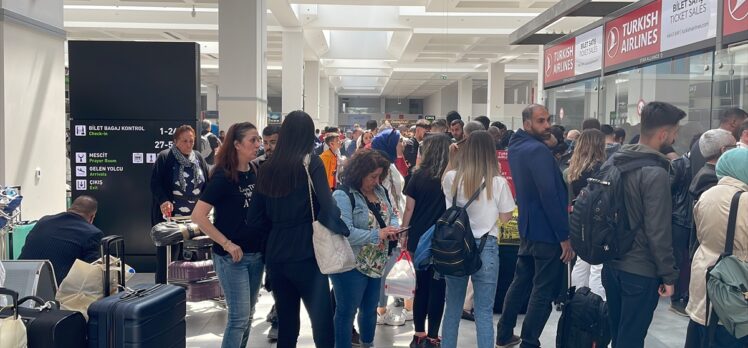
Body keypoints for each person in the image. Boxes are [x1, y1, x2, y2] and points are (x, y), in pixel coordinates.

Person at [246, 111, 349, 348]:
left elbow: (254, 219)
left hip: (276, 256)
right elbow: (328, 205)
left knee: (287, 326)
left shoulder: (266, 167)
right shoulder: (311, 162)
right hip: (307, 254)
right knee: (322, 324)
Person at [603, 101, 683, 348]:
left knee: (619, 334)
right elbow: (658, 231)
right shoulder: (655, 172)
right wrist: (669, 276)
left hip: (611, 264)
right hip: (640, 270)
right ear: (664, 134)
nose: (675, 136)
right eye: (675, 132)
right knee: (632, 339)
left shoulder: (614, 161)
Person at [496, 105, 572, 348]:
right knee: (543, 290)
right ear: (527, 124)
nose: (547, 125)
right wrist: (563, 236)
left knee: (521, 282)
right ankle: (529, 340)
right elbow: (549, 195)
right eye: (541, 121)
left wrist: (546, 143)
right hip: (547, 232)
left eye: (548, 120)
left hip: (528, 227)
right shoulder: (537, 151)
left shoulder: (517, 146)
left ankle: (505, 333)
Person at [191, 122, 263, 348]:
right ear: (237, 144)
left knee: (248, 315)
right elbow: (199, 216)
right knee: (239, 318)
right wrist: (227, 243)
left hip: (256, 255)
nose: (258, 144)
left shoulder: (254, 171)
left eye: (258, 139)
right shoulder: (223, 176)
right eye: (253, 139)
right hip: (232, 259)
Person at [441, 131, 515, 348]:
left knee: (452, 308)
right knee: (483, 311)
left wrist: (451, 158)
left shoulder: (451, 177)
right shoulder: (498, 182)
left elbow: (443, 186)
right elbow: (505, 216)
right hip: (486, 246)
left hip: (455, 246)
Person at [331, 149, 400, 348]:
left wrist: (394, 227)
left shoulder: (380, 191)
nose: (377, 181)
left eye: (380, 176)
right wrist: (378, 234)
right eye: (372, 176)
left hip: (377, 261)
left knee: (370, 309)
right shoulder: (343, 195)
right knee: (346, 311)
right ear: (359, 173)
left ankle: (367, 343)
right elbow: (346, 232)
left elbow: (392, 213)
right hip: (350, 263)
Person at [684, 148, 748, 348]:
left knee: (703, 331)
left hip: (706, 275)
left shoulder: (706, 195)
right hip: (737, 281)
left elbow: (700, 235)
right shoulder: (745, 200)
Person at [400, 134, 451, 348]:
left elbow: (409, 208)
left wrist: (404, 233)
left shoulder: (417, 176)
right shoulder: (450, 178)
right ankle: (433, 337)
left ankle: (418, 335)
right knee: (438, 287)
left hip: (419, 238)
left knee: (420, 287)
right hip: (442, 238)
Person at [150, 125, 209, 284]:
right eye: (185, 141)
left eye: (191, 141)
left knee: (190, 256)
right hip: (171, 218)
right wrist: (164, 200)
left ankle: (185, 289)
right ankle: (162, 289)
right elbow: (155, 183)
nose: (189, 144)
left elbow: (207, 184)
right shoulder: (165, 157)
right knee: (168, 257)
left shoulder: (198, 158)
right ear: (175, 142)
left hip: (194, 217)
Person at [19, 196, 103, 284]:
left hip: (19, 282)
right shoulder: (92, 233)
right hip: (54, 291)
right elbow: (92, 273)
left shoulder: (43, 221)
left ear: (69, 208)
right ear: (92, 217)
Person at [566, 129, 607, 300]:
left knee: (582, 263)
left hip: (577, 219)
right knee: (597, 265)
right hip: (597, 220)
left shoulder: (573, 169)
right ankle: (597, 303)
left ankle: (577, 300)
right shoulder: (600, 169)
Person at [690, 108, 747, 177]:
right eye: (744, 124)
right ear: (734, 122)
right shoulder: (706, 142)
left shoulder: (701, 142)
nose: (744, 128)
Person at [690, 130, 737, 202]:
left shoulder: (706, 173)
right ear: (724, 150)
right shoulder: (711, 179)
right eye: (734, 147)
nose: (737, 151)